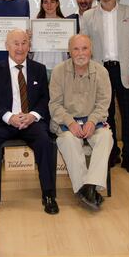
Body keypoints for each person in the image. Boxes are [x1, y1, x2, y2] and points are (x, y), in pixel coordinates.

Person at [0, 29, 59, 215]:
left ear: (29, 46)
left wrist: (33, 116)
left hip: (30, 121)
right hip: (3, 121)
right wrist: (9, 117)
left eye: (24, 43)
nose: (20, 48)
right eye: (15, 43)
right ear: (7, 46)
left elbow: (45, 99)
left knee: (45, 142)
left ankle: (48, 194)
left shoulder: (39, 69)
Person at [82, 0, 129, 174]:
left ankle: (128, 157)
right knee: (105, 115)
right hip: (100, 71)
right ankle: (112, 153)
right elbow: (85, 47)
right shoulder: (89, 16)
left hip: (125, 71)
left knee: (128, 115)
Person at [49, 34, 112, 210]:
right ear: (69, 51)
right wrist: (70, 122)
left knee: (106, 137)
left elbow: (103, 103)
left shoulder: (101, 72)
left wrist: (92, 121)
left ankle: (88, 187)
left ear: (91, 50)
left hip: (94, 121)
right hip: (67, 123)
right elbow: (54, 105)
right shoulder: (58, 71)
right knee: (68, 140)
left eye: (84, 48)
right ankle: (87, 188)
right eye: (76, 49)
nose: (80, 53)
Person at [32, 0, 68, 79]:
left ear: (57, 3)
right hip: (39, 67)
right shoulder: (34, 24)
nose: (49, 5)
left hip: (60, 68)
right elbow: (30, 51)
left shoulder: (66, 24)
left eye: (52, 1)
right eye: (45, 2)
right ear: (41, 4)